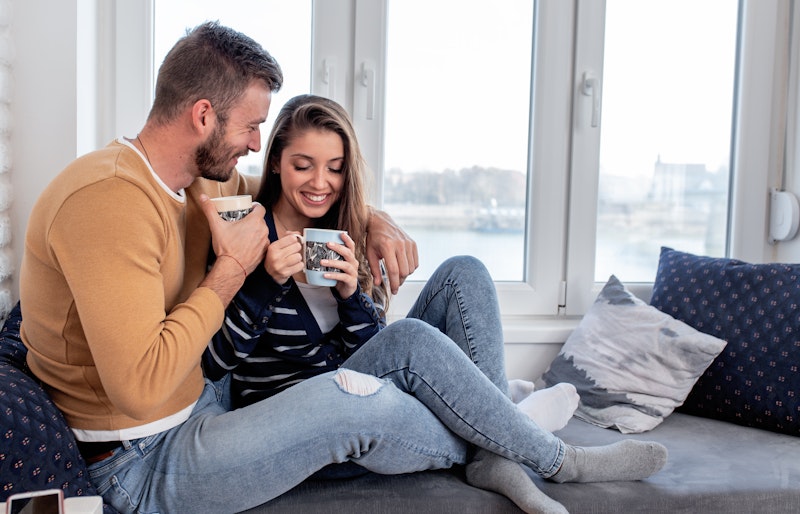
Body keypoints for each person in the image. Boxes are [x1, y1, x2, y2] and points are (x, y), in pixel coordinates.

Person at [19, 22, 667, 514]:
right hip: (143, 462)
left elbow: (298, 185)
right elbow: (137, 386)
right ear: (203, 116)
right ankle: (544, 454)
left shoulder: (196, 184)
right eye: (250, 126)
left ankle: (503, 446)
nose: (253, 141)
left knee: (409, 340)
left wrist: (372, 219)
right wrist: (230, 276)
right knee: (357, 401)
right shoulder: (107, 201)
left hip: (197, 409)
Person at [200, 94, 653, 514]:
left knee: (465, 271)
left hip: (361, 395)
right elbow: (217, 362)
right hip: (308, 422)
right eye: (303, 165)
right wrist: (266, 282)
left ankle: (494, 449)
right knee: (413, 341)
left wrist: (349, 295)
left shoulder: (345, 233)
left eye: (335, 168)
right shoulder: (246, 232)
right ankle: (557, 458)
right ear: (276, 162)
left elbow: (370, 354)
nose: (321, 183)